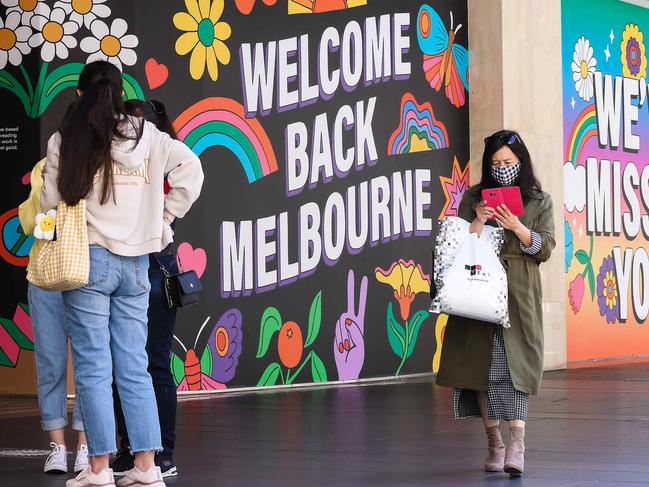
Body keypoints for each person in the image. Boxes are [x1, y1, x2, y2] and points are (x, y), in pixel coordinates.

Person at [40, 61, 204, 487]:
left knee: (95, 368)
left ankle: (98, 470)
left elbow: (49, 202)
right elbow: (192, 172)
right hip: (138, 265)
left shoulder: (67, 138)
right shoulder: (147, 134)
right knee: (135, 365)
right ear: (119, 91)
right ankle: (147, 467)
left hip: (89, 262)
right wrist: (163, 218)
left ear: (79, 95)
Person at [436, 130, 555, 477]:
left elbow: (544, 249)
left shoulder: (539, 199)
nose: (503, 168)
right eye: (496, 163)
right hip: (477, 289)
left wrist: (517, 227)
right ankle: (494, 444)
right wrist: (478, 220)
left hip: (518, 292)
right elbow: (456, 242)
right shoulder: (474, 196)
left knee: (515, 367)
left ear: (522, 163)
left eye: (509, 163)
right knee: (482, 369)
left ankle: (517, 443)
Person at [110, 99, 181, 479]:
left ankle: (163, 453)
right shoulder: (117, 155)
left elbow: (191, 178)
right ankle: (132, 451)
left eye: (137, 125)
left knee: (154, 362)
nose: (130, 133)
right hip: (125, 261)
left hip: (155, 262)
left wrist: (164, 217)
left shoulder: (160, 155)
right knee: (123, 363)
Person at [19, 159, 89, 475]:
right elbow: (33, 224)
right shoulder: (44, 167)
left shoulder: (96, 162)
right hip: (45, 275)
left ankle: (87, 446)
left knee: (91, 364)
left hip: (86, 274)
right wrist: (47, 187)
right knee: (51, 361)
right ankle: (57, 448)